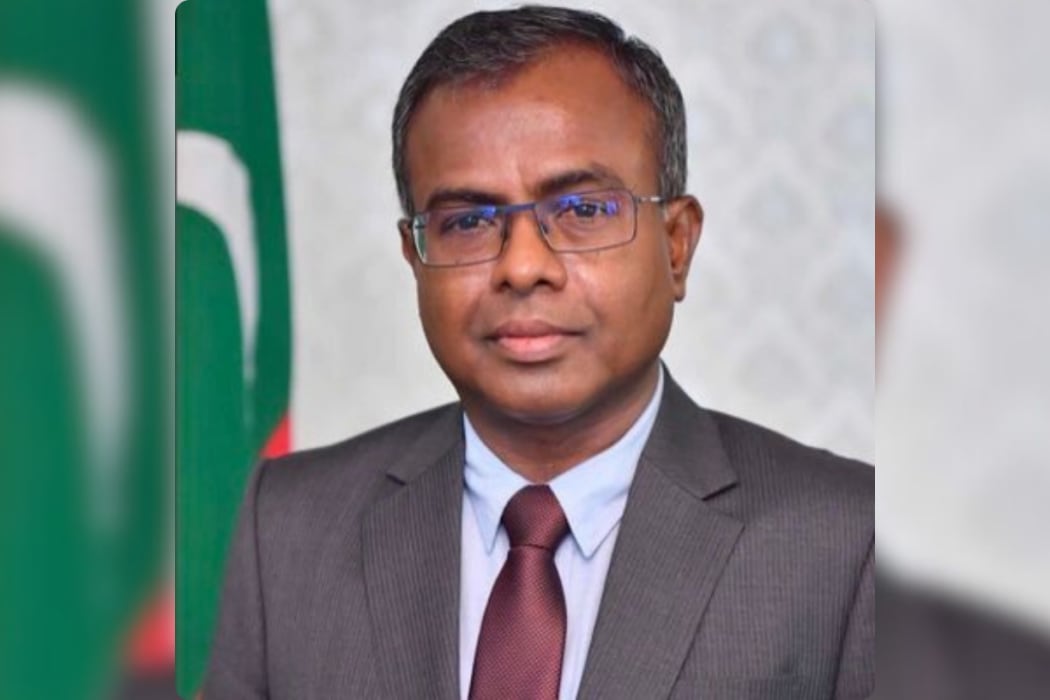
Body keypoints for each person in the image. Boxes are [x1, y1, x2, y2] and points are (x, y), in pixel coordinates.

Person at [202, 6, 874, 699]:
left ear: (676, 245)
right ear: (415, 257)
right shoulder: (288, 524)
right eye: (468, 221)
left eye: (583, 211)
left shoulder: (848, 540)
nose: (523, 267)